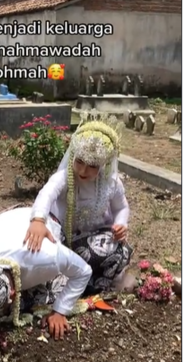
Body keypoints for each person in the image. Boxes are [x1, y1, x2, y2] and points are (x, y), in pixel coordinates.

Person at [23, 115, 133, 294]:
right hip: (62, 242)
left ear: (104, 165)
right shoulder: (65, 177)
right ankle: (74, 281)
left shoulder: (111, 183)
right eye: (80, 162)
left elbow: (121, 207)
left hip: (94, 242)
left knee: (120, 251)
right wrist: (38, 220)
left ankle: (87, 283)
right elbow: (46, 194)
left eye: (92, 165)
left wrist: (121, 224)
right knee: (40, 258)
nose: (83, 171)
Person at [0, 206, 93, 341]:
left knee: (47, 297)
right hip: (6, 216)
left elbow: (84, 271)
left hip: (44, 219)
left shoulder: (47, 258)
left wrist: (60, 311)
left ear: (12, 294)